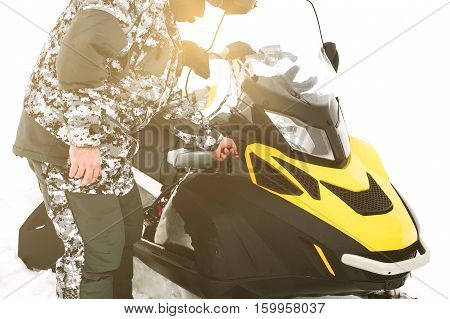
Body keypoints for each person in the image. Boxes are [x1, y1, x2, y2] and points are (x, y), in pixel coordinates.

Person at [12, 0, 240, 299]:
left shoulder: (162, 18)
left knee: (128, 230)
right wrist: (83, 140)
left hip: (109, 143)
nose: (201, 15)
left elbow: (161, 95)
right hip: (66, 143)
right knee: (96, 251)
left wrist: (212, 138)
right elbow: (80, 57)